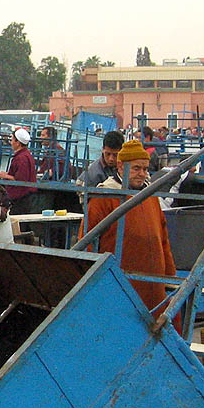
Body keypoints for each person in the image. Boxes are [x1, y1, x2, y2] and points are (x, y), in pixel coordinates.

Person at [78, 139, 181, 334]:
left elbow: (163, 240)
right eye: (135, 168)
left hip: (154, 286)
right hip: (121, 286)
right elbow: (88, 242)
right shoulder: (104, 197)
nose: (142, 173)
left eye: (144, 168)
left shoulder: (151, 197)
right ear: (120, 166)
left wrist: (170, 277)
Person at [0, 127, 39, 215]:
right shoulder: (26, 155)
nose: (11, 142)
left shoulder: (21, 158)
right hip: (26, 195)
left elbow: (21, 180)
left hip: (21, 197)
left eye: (12, 140)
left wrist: (5, 176)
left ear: (18, 142)